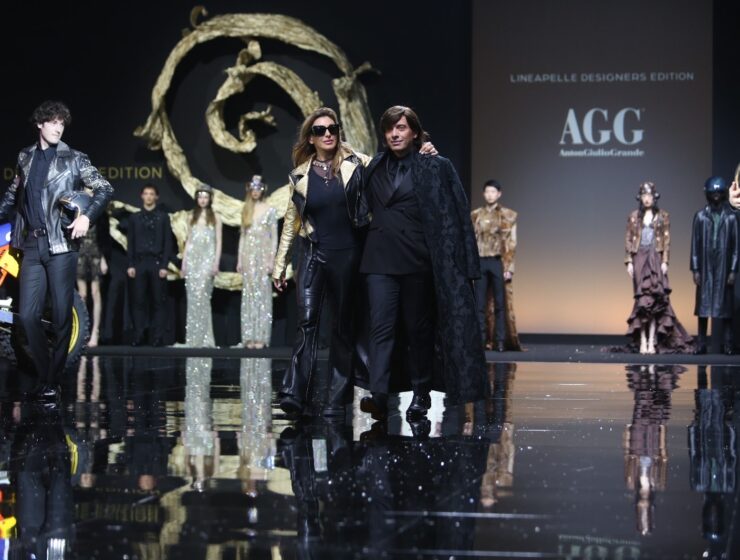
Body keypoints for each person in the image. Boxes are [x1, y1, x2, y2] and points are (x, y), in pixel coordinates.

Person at [359, 105, 487, 421]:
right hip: (379, 260)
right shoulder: (374, 166)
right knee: (381, 327)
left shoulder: (434, 166)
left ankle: (420, 394)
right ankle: (379, 394)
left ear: (415, 132)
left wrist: (465, 264)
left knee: (418, 331)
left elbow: (456, 214)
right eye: (390, 129)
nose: (395, 134)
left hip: (417, 260)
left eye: (401, 128)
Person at [0, 100, 113, 402]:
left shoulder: (75, 158)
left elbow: (105, 188)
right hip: (31, 244)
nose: (58, 127)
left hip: (61, 245)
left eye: (62, 123)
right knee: (27, 316)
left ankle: (51, 381)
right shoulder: (25, 156)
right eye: (52, 122)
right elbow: (13, 195)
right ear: (40, 124)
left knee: (62, 317)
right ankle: (45, 375)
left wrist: (87, 217)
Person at [272, 107, 372, 418]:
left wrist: (422, 150)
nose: (327, 133)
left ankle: (336, 398)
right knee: (306, 323)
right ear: (310, 138)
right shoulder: (299, 176)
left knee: (342, 328)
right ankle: (294, 393)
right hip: (313, 253)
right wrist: (280, 265)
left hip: (348, 255)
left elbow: (389, 166)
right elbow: (292, 222)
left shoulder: (357, 163)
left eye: (332, 128)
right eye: (319, 130)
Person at [623, 182, 693, 354]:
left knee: (655, 300)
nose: (647, 199)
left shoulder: (663, 216)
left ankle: (651, 341)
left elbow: (666, 241)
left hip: (655, 257)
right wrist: (629, 261)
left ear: (654, 197)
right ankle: (643, 340)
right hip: (639, 258)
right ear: (640, 198)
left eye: (650, 195)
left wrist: (665, 261)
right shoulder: (633, 216)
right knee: (642, 301)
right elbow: (629, 239)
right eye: (644, 196)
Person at [471, 179, 520, 352]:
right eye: (487, 192)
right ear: (484, 194)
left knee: (500, 303)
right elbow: (471, 240)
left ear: (499, 194)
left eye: (493, 192)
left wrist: (509, 268)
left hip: (497, 261)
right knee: (480, 304)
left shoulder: (507, 215)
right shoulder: (476, 215)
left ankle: (500, 341)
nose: (490, 195)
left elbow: (512, 242)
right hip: (481, 261)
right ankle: (481, 340)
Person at [690, 177, 738, 355]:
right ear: (708, 194)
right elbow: (694, 245)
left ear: (723, 193)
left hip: (724, 266)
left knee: (726, 309)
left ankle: (728, 344)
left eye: (719, 192)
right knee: (703, 308)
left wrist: (733, 270)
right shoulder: (700, 217)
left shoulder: (731, 217)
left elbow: (736, 247)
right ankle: (701, 344)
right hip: (705, 266)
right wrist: (695, 269)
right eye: (713, 192)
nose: (716, 195)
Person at [126, 184, 174, 346]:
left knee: (158, 302)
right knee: (138, 301)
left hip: (157, 263)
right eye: (146, 193)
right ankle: (138, 335)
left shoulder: (163, 217)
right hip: (139, 263)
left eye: (151, 194)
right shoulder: (134, 218)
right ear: (141, 196)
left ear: (156, 197)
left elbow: (168, 243)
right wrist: (130, 264)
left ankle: (158, 336)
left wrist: (164, 265)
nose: (148, 196)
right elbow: (130, 242)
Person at [237, 175, 277, 349]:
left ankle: (261, 336)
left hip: (263, 256)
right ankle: (249, 336)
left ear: (262, 190)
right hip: (248, 256)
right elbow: (243, 237)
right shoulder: (246, 209)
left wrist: (271, 260)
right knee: (249, 295)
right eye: (253, 188)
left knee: (262, 295)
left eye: (258, 188)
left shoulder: (270, 210)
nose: (255, 191)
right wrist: (240, 260)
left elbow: (273, 237)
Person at [181, 185, 222, 347]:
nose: (203, 200)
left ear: (210, 199)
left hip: (207, 261)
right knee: (192, 299)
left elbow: (219, 242)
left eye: (206, 197)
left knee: (203, 297)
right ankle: (193, 338)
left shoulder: (216, 217)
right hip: (192, 261)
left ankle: (205, 338)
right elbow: (188, 241)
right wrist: (184, 263)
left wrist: (216, 263)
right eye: (200, 197)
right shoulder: (191, 216)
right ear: (197, 199)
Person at [77, 207, 112, 347]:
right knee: (82, 295)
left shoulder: (101, 213)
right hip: (80, 255)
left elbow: (105, 237)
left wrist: (104, 258)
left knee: (95, 293)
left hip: (96, 254)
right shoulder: (78, 209)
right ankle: (82, 332)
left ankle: (95, 332)